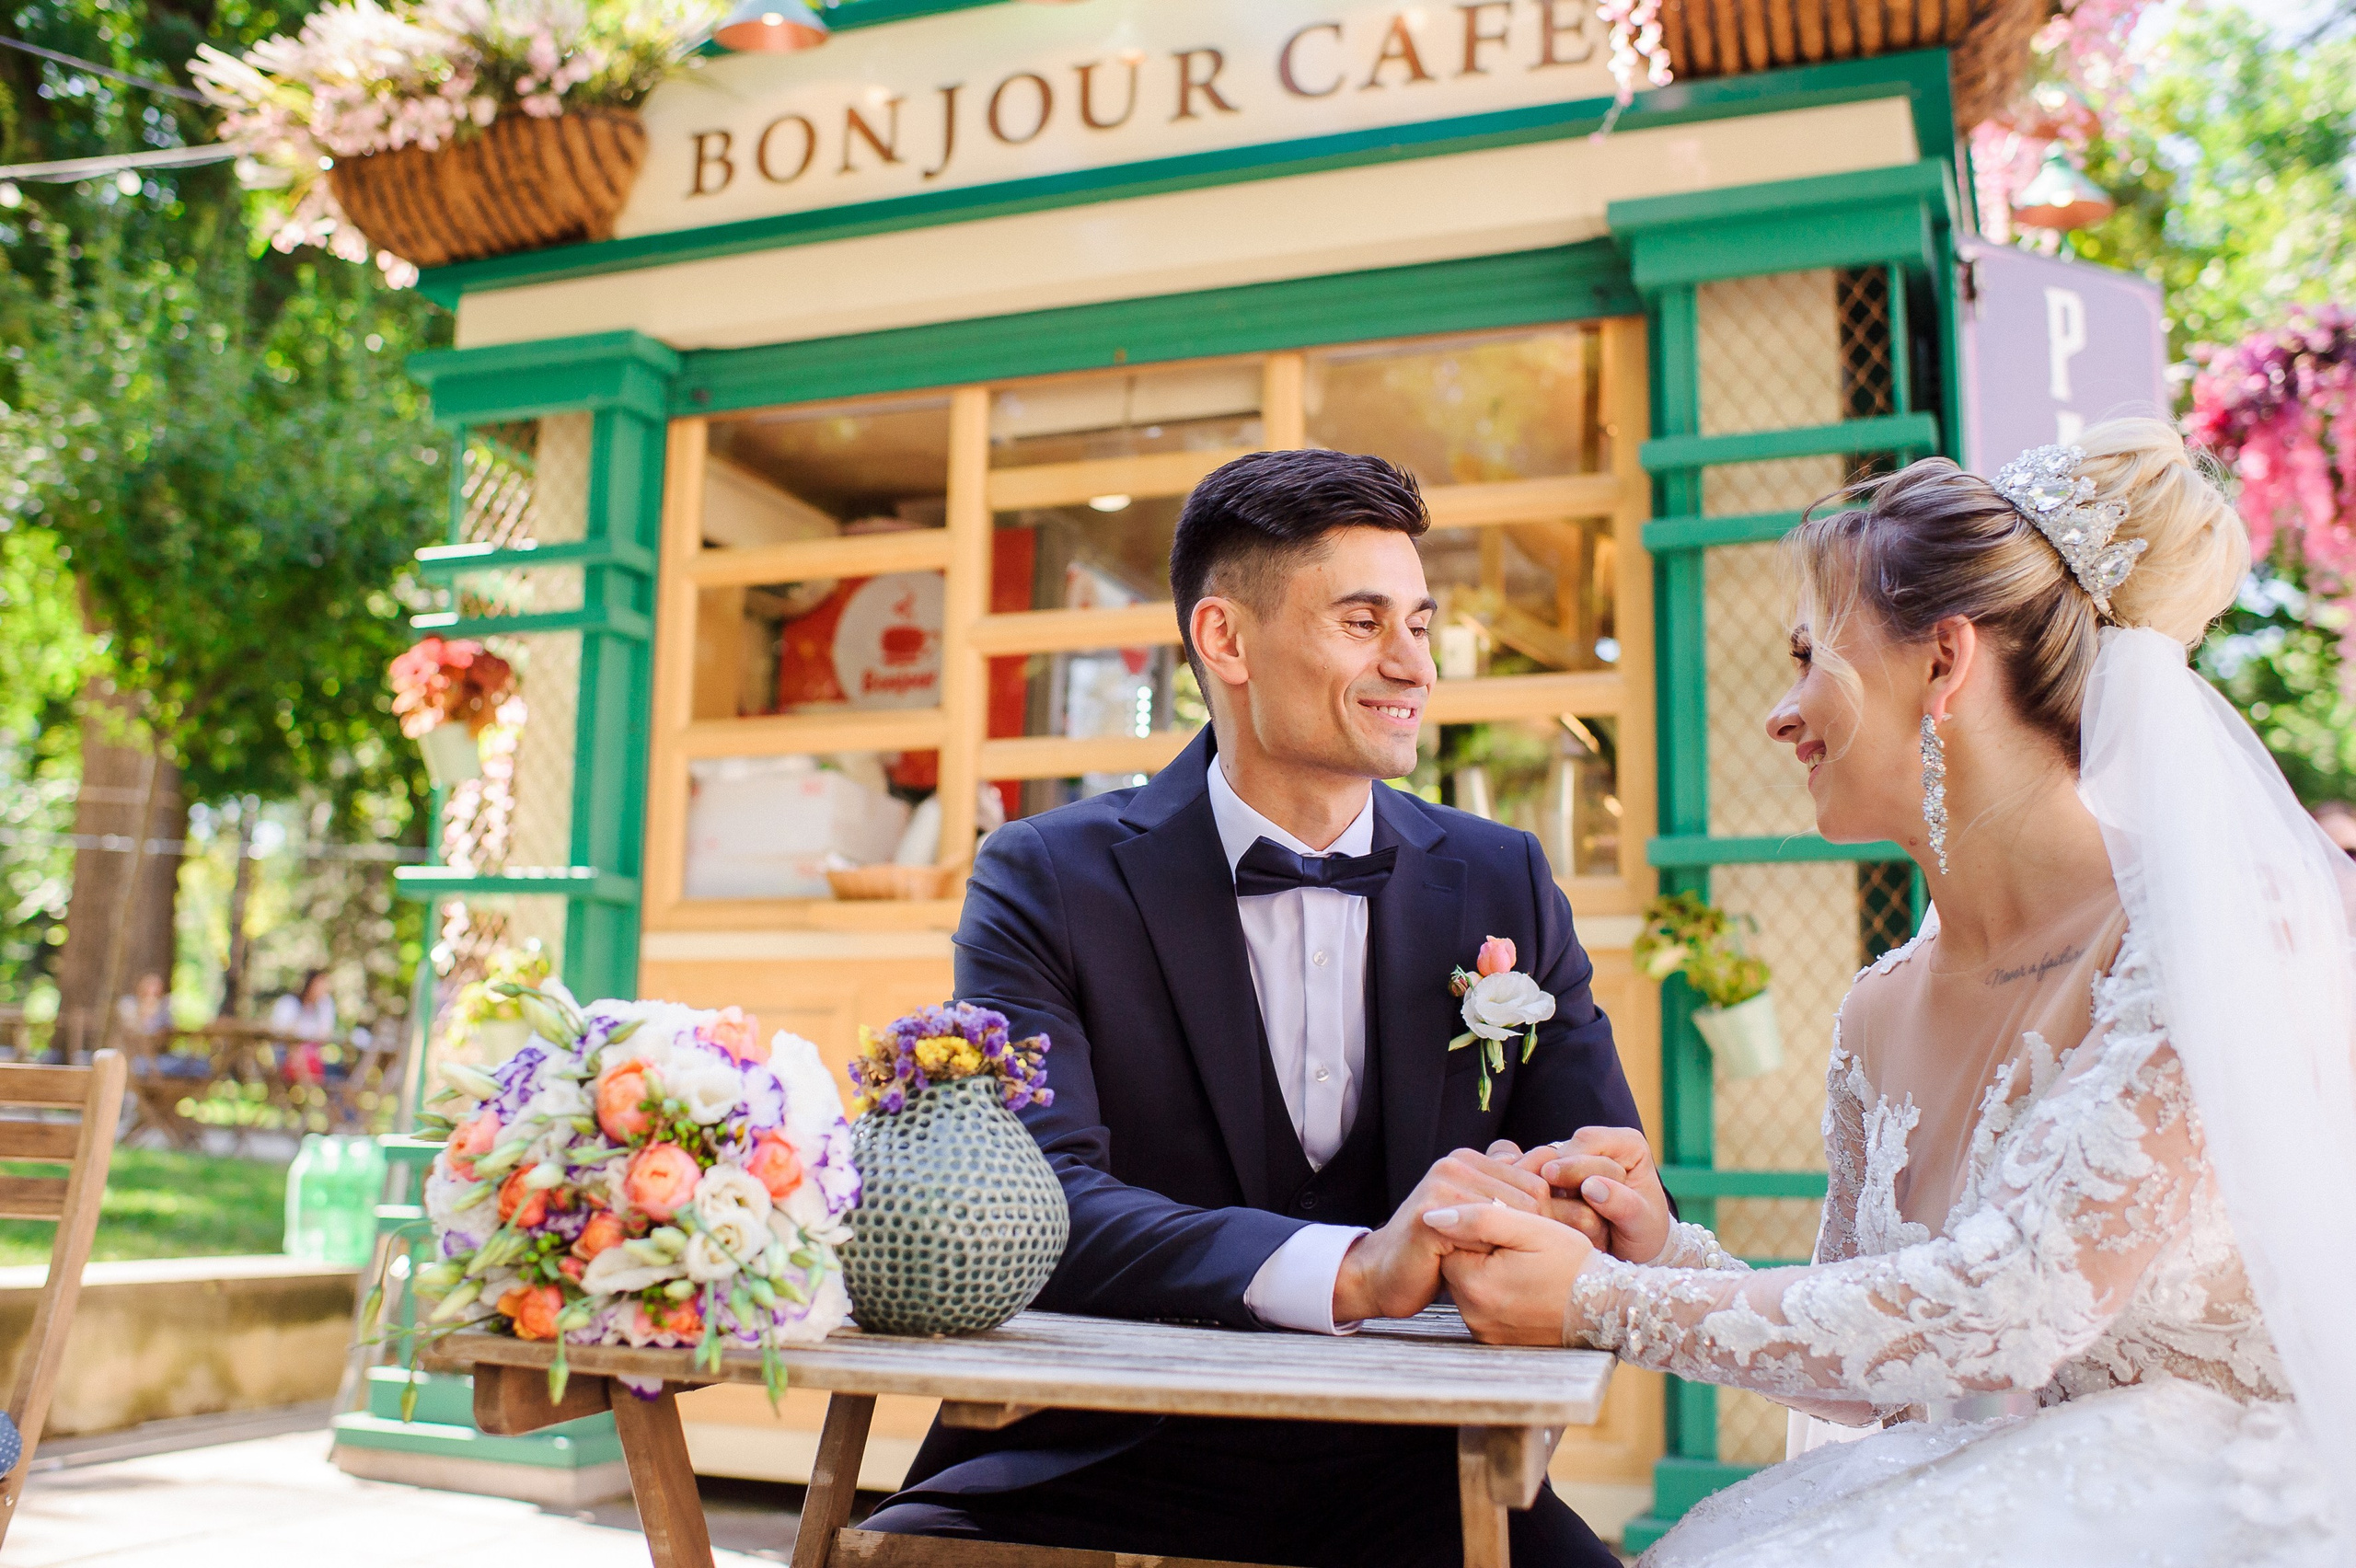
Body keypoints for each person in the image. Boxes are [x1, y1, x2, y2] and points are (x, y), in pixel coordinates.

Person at [1423, 420, 2356, 1566]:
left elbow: (2015, 1304)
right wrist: (1655, 1251)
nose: (1781, 711)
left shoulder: (2210, 936)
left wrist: (1600, 1303)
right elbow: (1869, 1361)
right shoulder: (1877, 1007)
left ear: (1944, 662)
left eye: (1811, 655)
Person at [860, 449, 1651, 1566]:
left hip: (1420, 1466)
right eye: (1363, 621)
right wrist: (1352, 1269)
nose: (1412, 664)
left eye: (1419, 624)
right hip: (1097, 1451)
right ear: (1224, 641)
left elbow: (1595, 1164)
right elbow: (1035, 1205)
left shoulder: (1501, 876)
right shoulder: (1046, 875)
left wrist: (1578, 1199)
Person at [269, 969, 336, 1087]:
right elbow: (281, 1033)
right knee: (298, 1054)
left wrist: (326, 1005)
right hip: (286, 1053)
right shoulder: (289, 1003)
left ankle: (311, 1092)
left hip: (311, 1056)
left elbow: (324, 1036)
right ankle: (311, 1092)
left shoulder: (321, 1007)